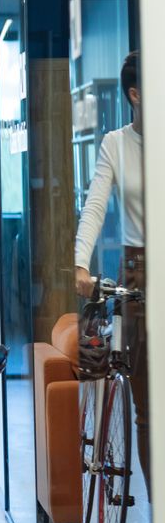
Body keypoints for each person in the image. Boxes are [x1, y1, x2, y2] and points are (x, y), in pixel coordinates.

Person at [75, 51, 148, 492]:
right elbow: (95, 205)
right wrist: (81, 262)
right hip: (140, 269)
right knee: (148, 404)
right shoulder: (116, 144)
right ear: (135, 94)